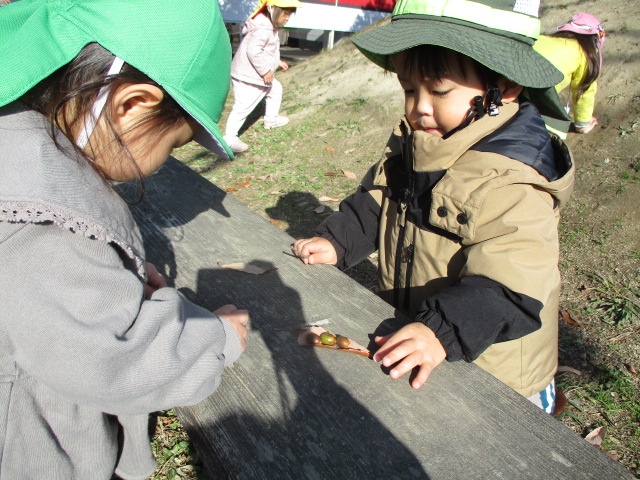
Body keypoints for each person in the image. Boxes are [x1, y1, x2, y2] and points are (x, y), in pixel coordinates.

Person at [0, 0, 248, 478]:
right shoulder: (45, 221)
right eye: (173, 143)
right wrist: (213, 338)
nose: (158, 165)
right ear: (132, 105)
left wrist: (112, 282)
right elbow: (110, 359)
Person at [293, 0, 575, 415]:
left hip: (496, 367)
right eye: (410, 89)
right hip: (425, 334)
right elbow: (378, 200)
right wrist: (339, 240)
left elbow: (509, 287)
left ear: (505, 87)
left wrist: (440, 330)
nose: (419, 107)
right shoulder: (419, 143)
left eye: (439, 91)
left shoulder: (513, 180)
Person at [223, 0, 302, 153]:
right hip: (249, 76)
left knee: (275, 89)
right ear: (272, 9)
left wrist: (277, 62)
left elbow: (266, 50)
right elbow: (253, 51)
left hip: (252, 74)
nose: (287, 18)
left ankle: (271, 118)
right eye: (285, 14)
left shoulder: (269, 26)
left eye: (289, 15)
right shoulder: (263, 29)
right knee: (243, 106)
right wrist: (266, 71)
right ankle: (229, 137)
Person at [534, 13, 606, 134]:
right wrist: (583, 123)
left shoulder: (540, 38)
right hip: (532, 96)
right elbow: (584, 92)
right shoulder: (584, 54)